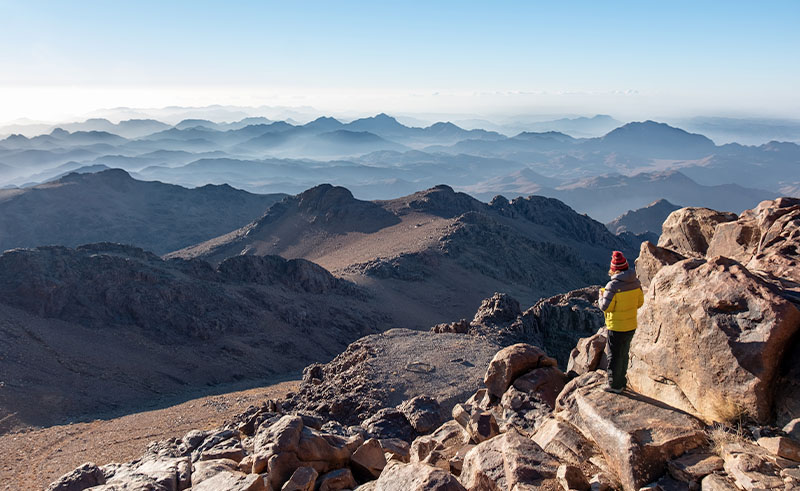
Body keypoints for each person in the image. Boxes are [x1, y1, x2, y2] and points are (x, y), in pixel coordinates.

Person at [598, 250, 644, 393]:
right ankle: (622, 381)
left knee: (613, 356)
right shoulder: (636, 282)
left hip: (616, 326)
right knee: (624, 354)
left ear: (614, 269)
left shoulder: (612, 286)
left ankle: (614, 385)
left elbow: (606, 307)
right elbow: (640, 302)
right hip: (630, 326)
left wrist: (601, 296)